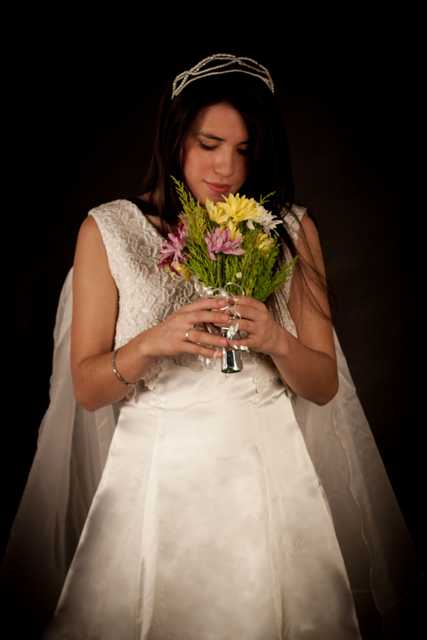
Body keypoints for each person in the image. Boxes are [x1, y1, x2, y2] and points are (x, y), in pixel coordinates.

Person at [2, 53, 420, 639]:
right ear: (175, 139)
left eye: (244, 150)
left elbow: (324, 385)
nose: (227, 167)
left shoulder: (287, 229)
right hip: (158, 475)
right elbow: (89, 389)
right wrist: (153, 342)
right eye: (209, 144)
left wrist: (275, 339)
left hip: (265, 470)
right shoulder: (110, 230)